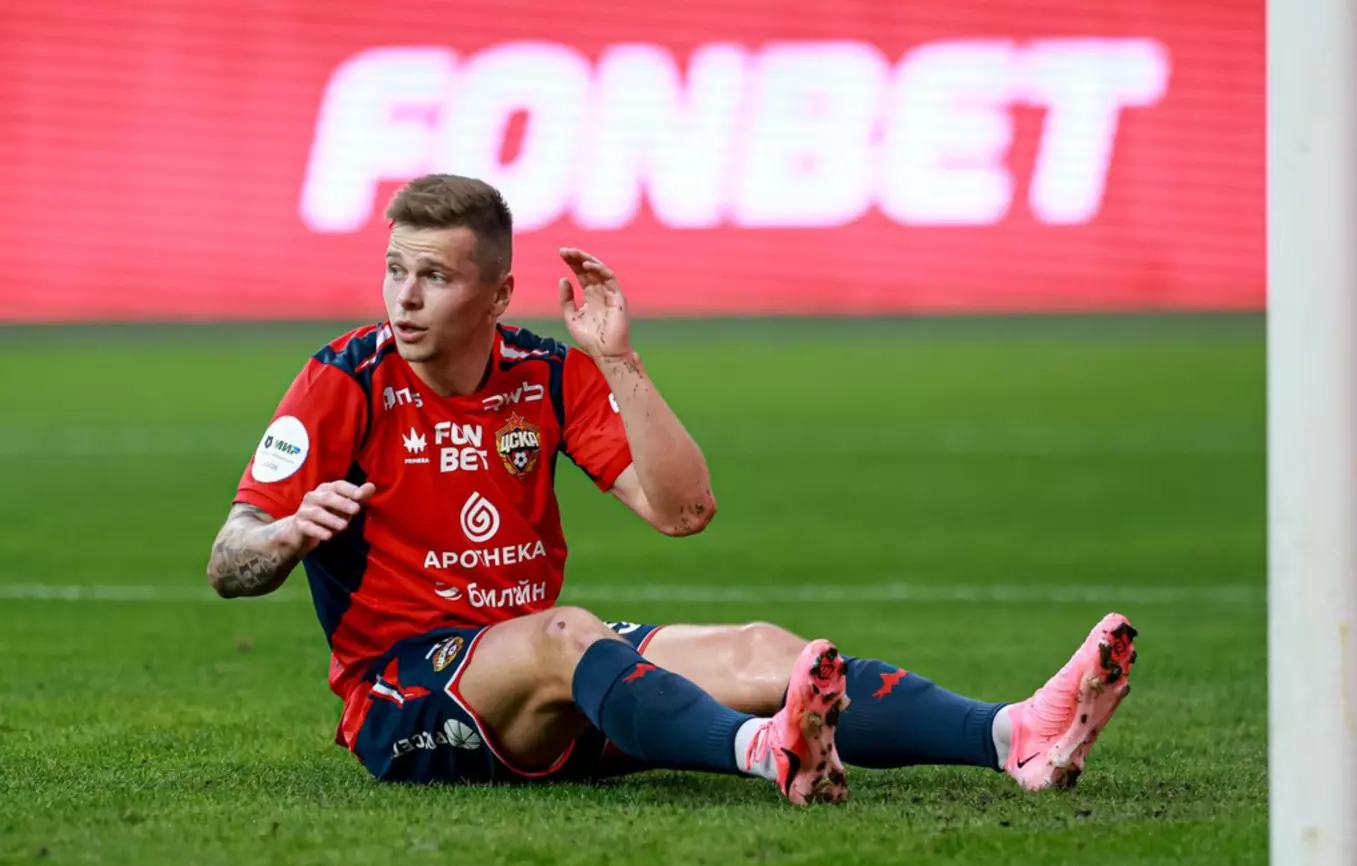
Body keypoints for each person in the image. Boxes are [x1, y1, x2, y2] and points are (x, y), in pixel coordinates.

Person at [206, 174, 1137, 806]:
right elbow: (228, 562)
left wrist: (617, 360)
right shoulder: (344, 380)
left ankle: (1013, 734)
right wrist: (284, 535)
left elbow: (683, 512)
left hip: (549, 671)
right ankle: (765, 752)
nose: (404, 297)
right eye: (395, 270)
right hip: (408, 694)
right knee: (570, 634)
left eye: (434, 276)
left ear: (497, 294)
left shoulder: (547, 373)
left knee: (762, 650)